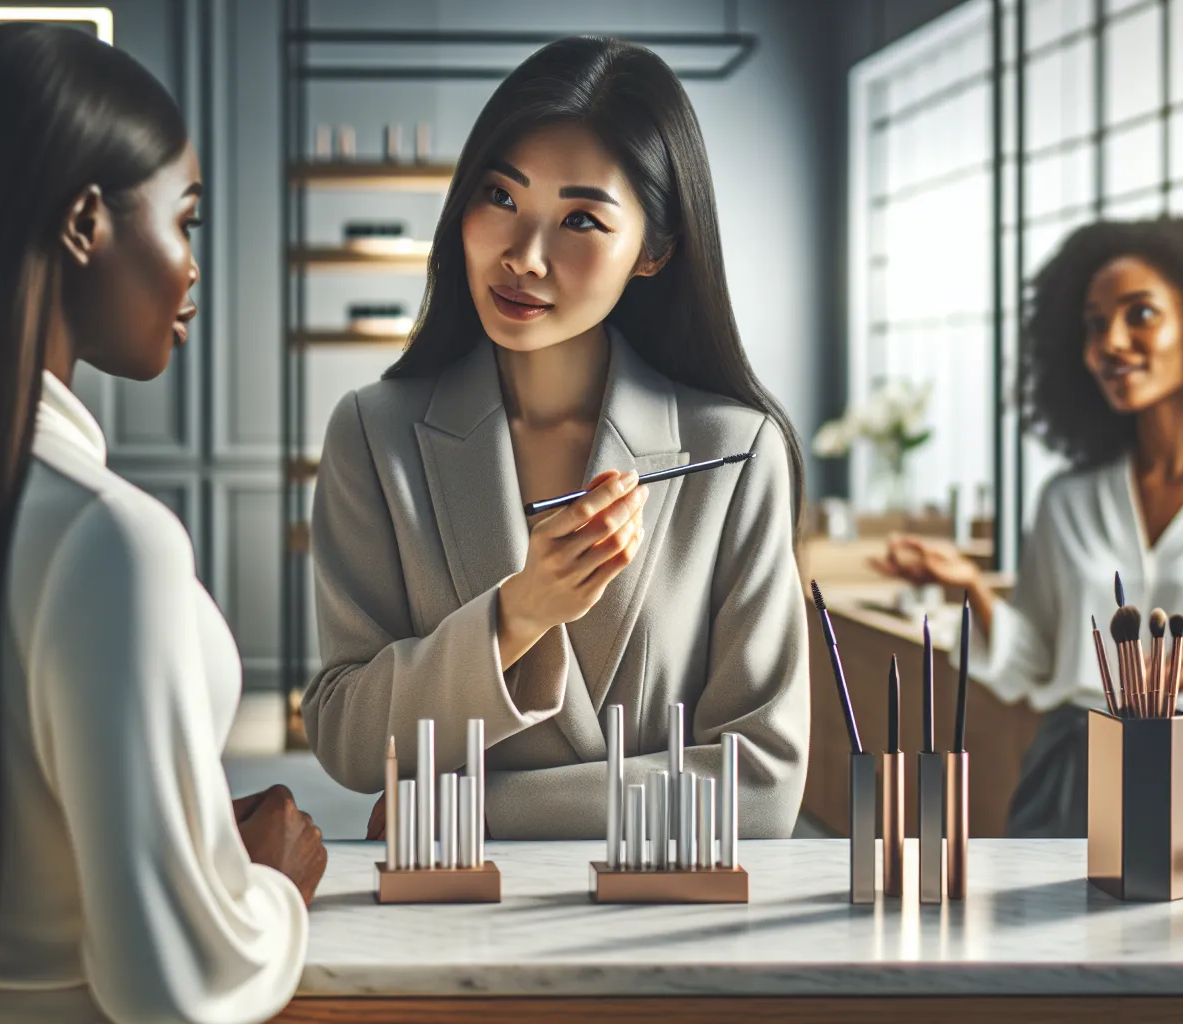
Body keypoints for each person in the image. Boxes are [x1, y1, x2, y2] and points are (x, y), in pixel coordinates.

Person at [0, 25, 324, 1023]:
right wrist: (263, 884)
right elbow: (169, 985)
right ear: (84, 223)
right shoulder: (109, 540)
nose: (192, 268)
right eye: (183, 220)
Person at [306, 37, 810, 839]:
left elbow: (762, 786)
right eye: (500, 198)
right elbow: (346, 738)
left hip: (661, 925)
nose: (523, 257)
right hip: (450, 926)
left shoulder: (738, 454)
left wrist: (461, 811)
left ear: (654, 250)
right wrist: (517, 615)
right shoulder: (375, 434)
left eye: (580, 219)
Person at [874, 218, 1183, 838]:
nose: (1109, 341)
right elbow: (1036, 662)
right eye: (1093, 323)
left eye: (1141, 315)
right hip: (1069, 775)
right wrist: (967, 585)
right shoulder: (1067, 499)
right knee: (1045, 936)